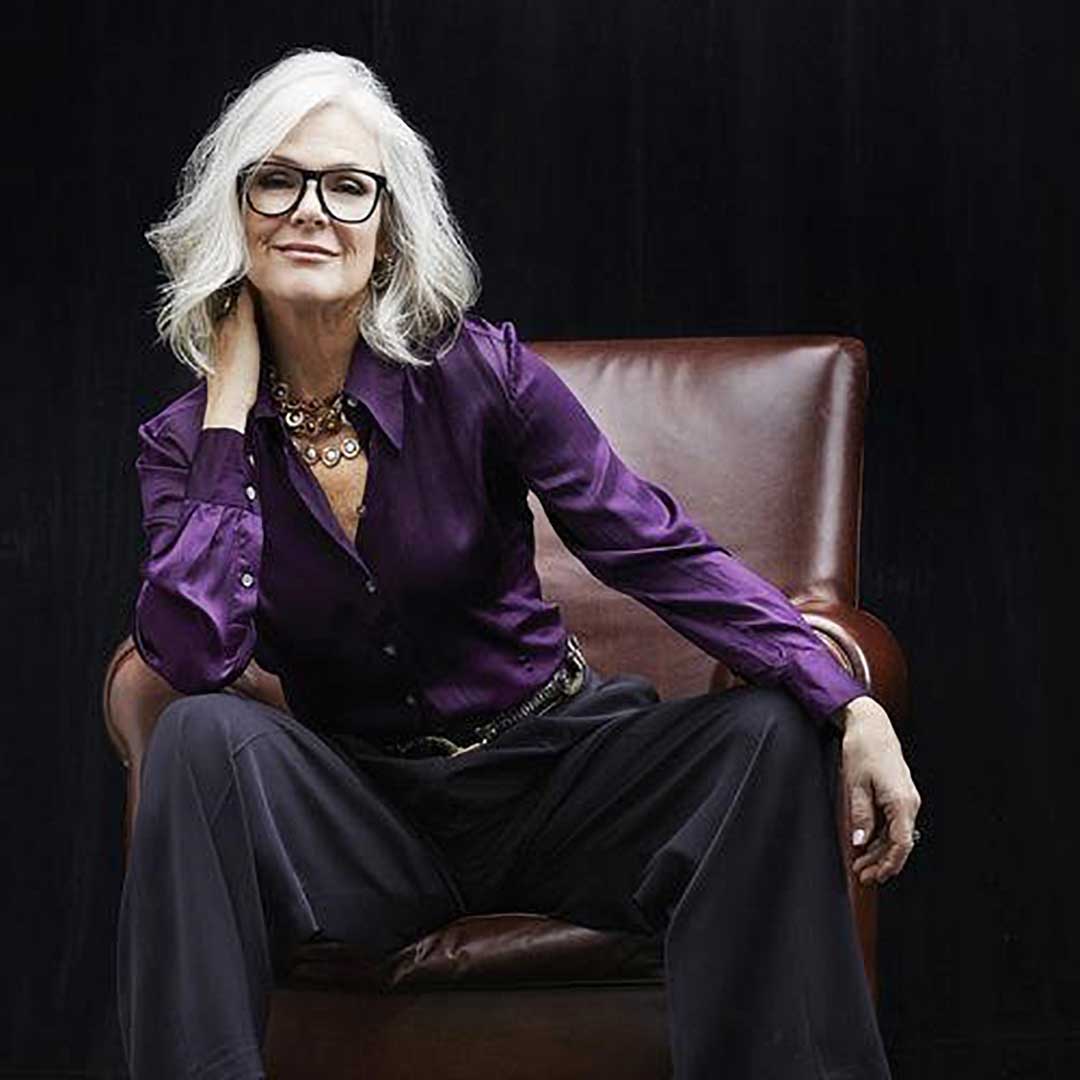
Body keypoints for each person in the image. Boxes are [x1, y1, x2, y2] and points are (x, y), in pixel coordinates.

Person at [117, 46, 921, 1080]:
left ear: (387, 227)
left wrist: (844, 702)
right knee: (197, 739)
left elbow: (652, 546)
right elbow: (193, 651)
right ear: (236, 211)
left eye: (347, 185)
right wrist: (229, 416)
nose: (309, 208)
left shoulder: (483, 375)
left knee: (765, 734)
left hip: (560, 780)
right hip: (367, 816)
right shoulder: (183, 444)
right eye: (276, 179)